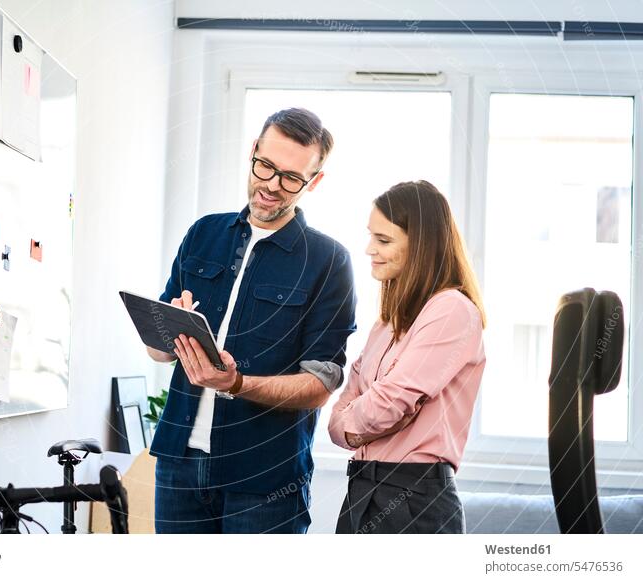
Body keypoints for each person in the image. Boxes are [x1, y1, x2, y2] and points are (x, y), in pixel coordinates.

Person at [144, 108, 357, 533]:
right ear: (253, 152)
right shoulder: (203, 233)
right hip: (178, 467)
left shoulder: (329, 261)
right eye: (266, 166)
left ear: (314, 182)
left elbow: (320, 385)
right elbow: (157, 351)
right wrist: (174, 328)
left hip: (264, 480)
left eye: (291, 178)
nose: (271, 186)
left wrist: (237, 384)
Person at [328, 180, 486, 534]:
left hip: (414, 499)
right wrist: (358, 426)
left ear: (422, 247)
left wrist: (361, 418)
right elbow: (341, 415)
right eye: (371, 236)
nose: (370, 249)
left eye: (383, 240)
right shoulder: (387, 321)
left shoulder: (451, 310)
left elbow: (389, 402)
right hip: (362, 490)